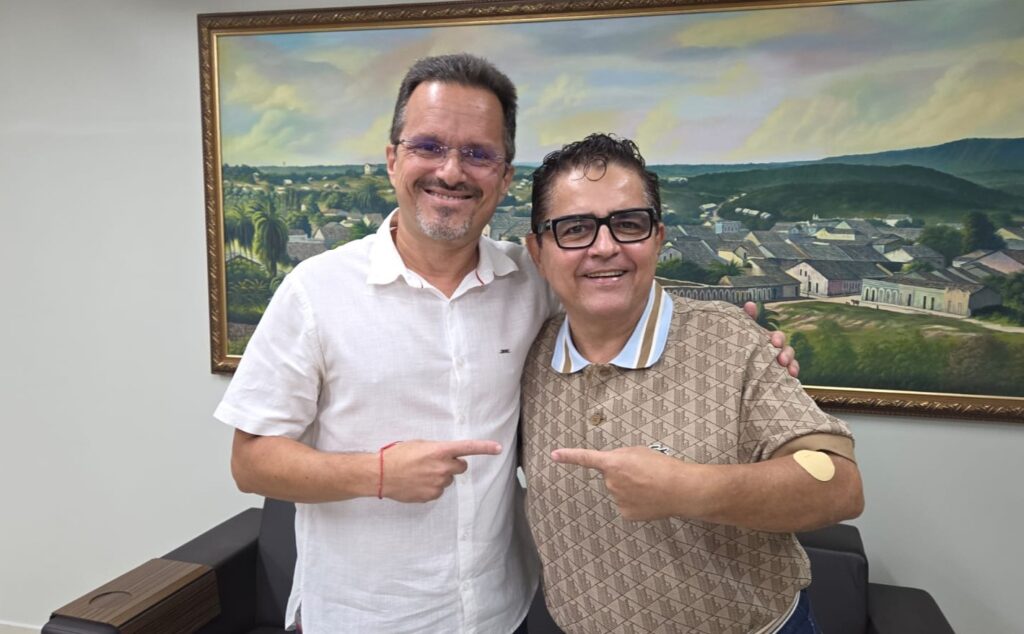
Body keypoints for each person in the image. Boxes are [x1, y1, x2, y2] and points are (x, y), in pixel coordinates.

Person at [216, 54, 797, 633]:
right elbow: (252, 461)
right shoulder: (315, 292)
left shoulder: (530, 279)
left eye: (478, 153)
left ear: (504, 176)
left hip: (500, 612)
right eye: (428, 146)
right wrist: (378, 473)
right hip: (362, 616)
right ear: (392, 159)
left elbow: (613, 276)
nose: (451, 171)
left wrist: (738, 336)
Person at [521, 134, 864, 634]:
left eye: (629, 224)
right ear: (537, 250)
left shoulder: (730, 338)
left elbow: (838, 487)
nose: (605, 247)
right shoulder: (527, 357)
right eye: (575, 229)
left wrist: (688, 488)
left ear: (658, 237)